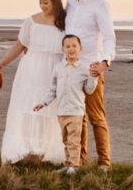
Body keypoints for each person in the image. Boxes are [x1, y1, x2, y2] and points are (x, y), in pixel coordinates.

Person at [0, 0, 65, 164]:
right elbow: (19, 45)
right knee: (28, 108)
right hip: (31, 69)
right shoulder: (31, 21)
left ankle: (48, 151)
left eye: (46, 2)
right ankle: (28, 148)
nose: (42, 6)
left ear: (55, 2)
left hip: (56, 69)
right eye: (40, 2)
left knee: (52, 111)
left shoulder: (65, 21)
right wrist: (2, 63)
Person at [64, 0, 116, 169]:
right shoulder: (69, 3)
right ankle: (80, 159)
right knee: (78, 116)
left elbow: (110, 37)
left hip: (91, 68)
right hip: (71, 67)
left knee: (96, 116)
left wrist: (105, 62)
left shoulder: (100, 4)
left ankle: (104, 162)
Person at [34, 34, 98, 174]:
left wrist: (93, 77)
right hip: (61, 111)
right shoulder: (58, 68)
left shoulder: (84, 69)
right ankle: (68, 164)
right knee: (65, 140)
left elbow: (89, 89)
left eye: (74, 46)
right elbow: (53, 90)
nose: (71, 49)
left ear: (80, 48)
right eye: (67, 46)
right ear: (63, 49)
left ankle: (74, 167)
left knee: (74, 141)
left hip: (76, 111)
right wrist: (42, 102)